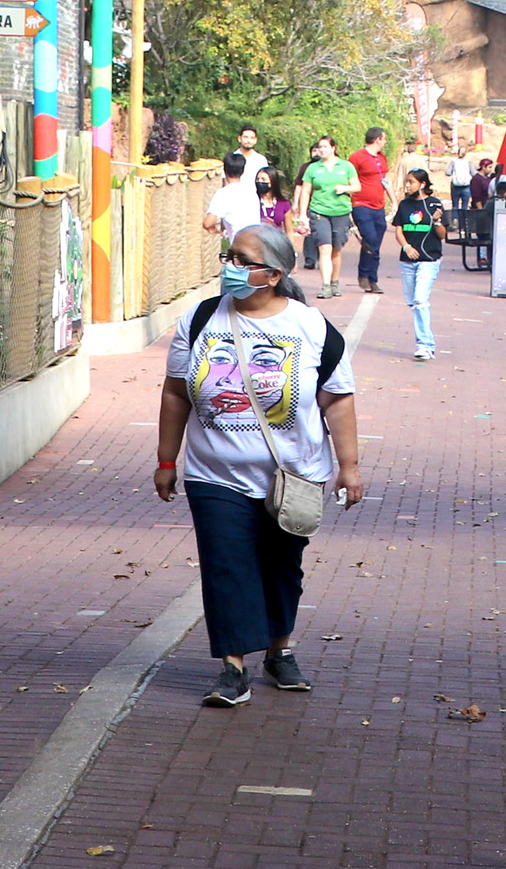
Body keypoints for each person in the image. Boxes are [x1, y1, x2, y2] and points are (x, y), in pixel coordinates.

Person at [156, 222, 363, 707]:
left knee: (281, 568)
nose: (230, 267)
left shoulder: (310, 326)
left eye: (242, 261)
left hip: (293, 475)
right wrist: (168, 459)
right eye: (228, 256)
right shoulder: (202, 318)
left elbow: (338, 400)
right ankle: (232, 669)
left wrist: (348, 466)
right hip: (214, 472)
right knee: (227, 565)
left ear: (271, 275)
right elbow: (174, 392)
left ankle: (278, 649)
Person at [392, 163, 446, 358]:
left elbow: (442, 235)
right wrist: (406, 246)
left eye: (411, 182)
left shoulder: (434, 204)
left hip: (429, 259)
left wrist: (437, 221)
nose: (408, 186)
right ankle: (426, 342)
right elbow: (398, 228)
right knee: (412, 301)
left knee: (420, 300)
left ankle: (425, 344)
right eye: (407, 182)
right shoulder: (405, 205)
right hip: (407, 260)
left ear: (422, 184)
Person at [302, 134, 360, 298]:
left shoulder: (346, 166)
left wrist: (345, 188)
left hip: (340, 212)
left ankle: (335, 281)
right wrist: (303, 214)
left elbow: (357, 186)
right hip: (319, 211)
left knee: (336, 250)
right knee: (324, 248)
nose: (322, 150)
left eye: (325, 147)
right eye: (320, 147)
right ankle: (325, 285)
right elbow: (306, 192)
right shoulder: (313, 168)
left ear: (333, 148)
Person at [349, 127, 393, 295]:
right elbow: (349, 177)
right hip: (361, 203)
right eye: (384, 139)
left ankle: (372, 278)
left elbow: (385, 181)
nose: (385, 142)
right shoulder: (357, 157)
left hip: (379, 205)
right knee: (370, 238)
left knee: (374, 244)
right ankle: (364, 274)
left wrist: (394, 200)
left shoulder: (382, 158)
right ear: (377, 139)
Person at [202, 151, 255, 248]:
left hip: (239, 247)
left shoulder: (223, 194)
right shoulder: (251, 192)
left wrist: (212, 227)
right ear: (242, 171)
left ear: (224, 170)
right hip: (256, 243)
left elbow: (207, 223)